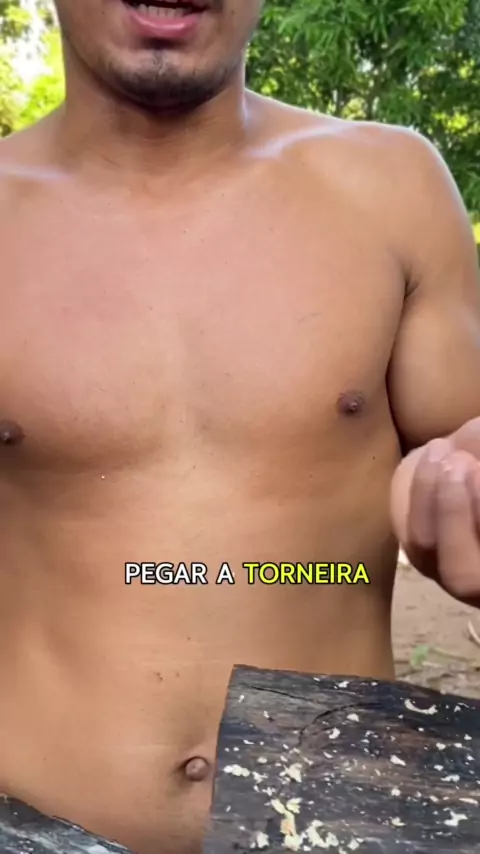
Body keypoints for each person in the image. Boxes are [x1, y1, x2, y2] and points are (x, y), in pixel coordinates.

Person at [0, 1, 479, 852]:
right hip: (30, 827)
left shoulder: (391, 188)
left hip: (342, 820)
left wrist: (450, 500)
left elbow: (456, 447)